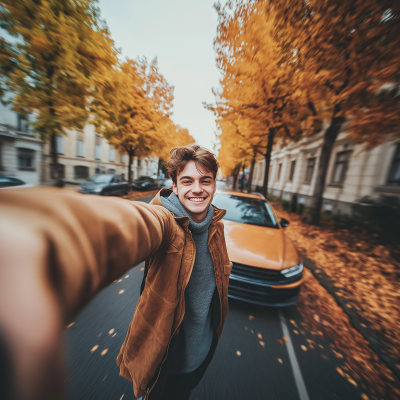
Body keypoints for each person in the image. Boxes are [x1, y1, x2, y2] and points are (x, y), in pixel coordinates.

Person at [0, 144, 231, 400]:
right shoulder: (166, 222)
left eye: (205, 181)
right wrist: (45, 235)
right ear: (174, 187)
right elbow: (130, 223)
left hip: (203, 353)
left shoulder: (216, 227)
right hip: (165, 362)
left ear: (214, 185)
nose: (197, 189)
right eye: (187, 181)